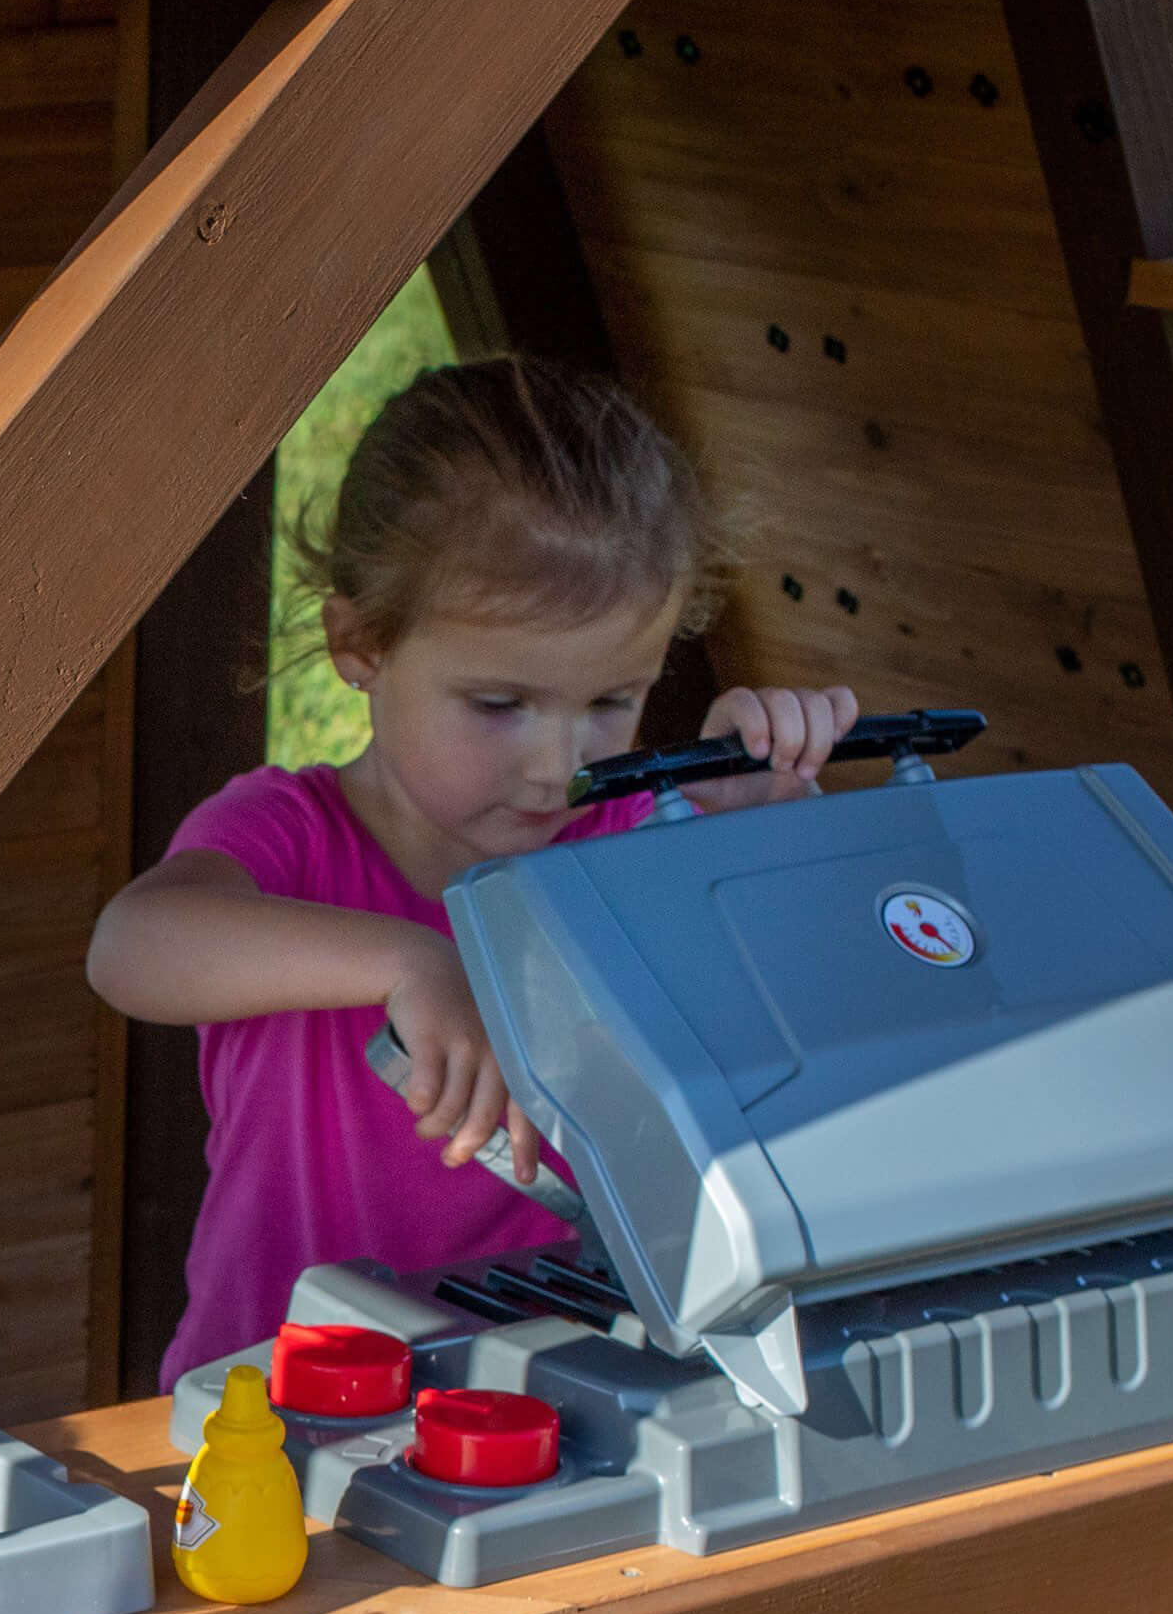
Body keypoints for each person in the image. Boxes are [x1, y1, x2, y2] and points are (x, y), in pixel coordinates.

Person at [87, 355, 860, 1383]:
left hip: (558, 1396)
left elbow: (808, 1040)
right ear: (359, 644)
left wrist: (755, 830)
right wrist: (413, 961)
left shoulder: (637, 841)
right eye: (501, 706)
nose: (559, 766)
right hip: (275, 1408)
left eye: (610, 703)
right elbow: (131, 948)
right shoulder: (293, 836)